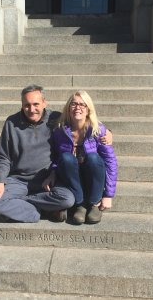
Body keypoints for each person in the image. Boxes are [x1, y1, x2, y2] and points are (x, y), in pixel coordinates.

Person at [0, 85, 112, 223]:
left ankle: (22, 205)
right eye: (27, 105)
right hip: (18, 180)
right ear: (22, 105)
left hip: (48, 180)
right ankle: (42, 210)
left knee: (68, 200)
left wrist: (108, 132)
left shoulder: (56, 119)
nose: (32, 109)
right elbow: (4, 156)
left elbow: (82, 124)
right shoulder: (11, 123)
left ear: (44, 103)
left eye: (36, 104)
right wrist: (0, 182)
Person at [49, 90, 118, 225]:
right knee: (67, 158)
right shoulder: (60, 130)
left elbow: (111, 161)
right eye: (74, 104)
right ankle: (80, 204)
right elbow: (57, 157)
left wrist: (109, 195)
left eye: (82, 104)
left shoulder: (98, 130)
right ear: (68, 107)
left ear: (88, 109)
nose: (78, 107)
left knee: (93, 158)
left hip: (92, 177)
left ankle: (93, 204)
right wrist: (52, 172)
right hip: (73, 179)